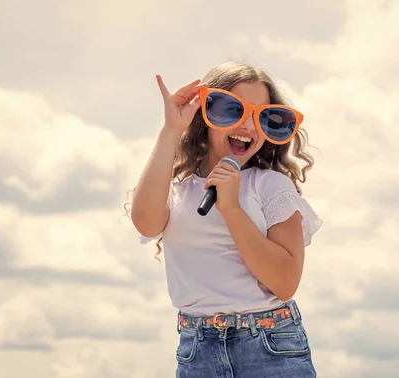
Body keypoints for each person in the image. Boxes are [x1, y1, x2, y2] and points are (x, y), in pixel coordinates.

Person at [127, 60, 322, 377]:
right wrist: (171, 130)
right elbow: (146, 223)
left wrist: (231, 209)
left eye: (261, 116)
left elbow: (285, 283)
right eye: (233, 110)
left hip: (269, 348)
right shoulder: (178, 192)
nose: (247, 125)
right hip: (198, 350)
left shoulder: (271, 185)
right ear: (206, 114)